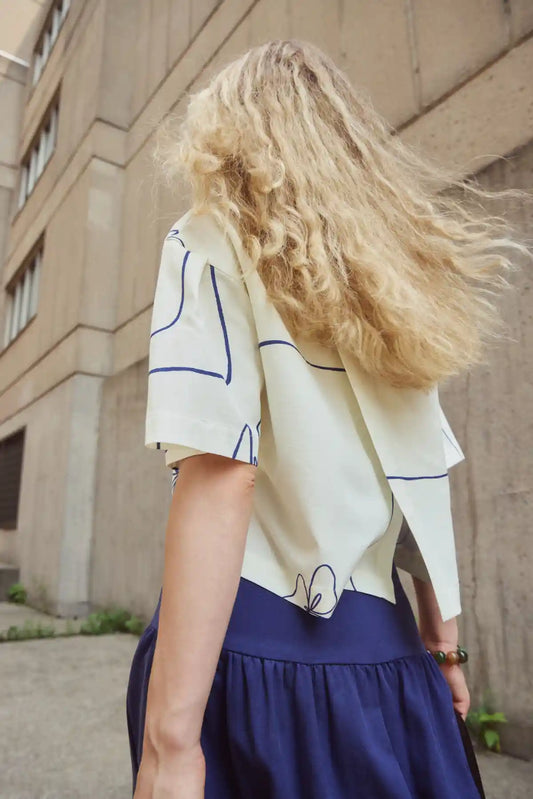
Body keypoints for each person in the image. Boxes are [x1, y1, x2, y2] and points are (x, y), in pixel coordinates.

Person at [126, 38, 531, 798]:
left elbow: (221, 470)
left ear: (226, 134)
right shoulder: (392, 282)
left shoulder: (207, 240)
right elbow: (424, 477)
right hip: (386, 655)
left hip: (248, 657)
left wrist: (172, 742)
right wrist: (443, 648)